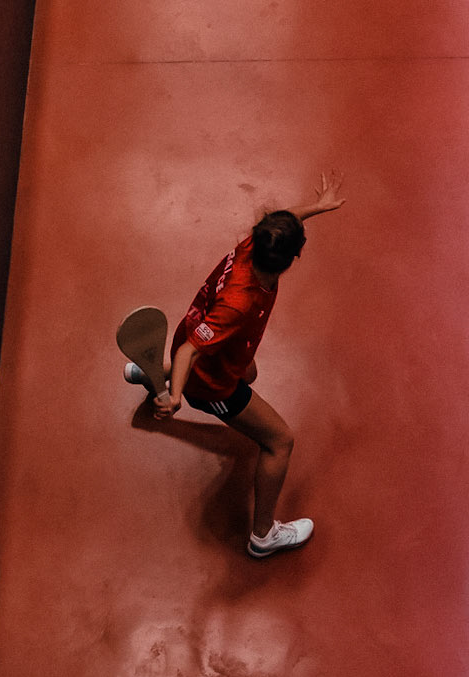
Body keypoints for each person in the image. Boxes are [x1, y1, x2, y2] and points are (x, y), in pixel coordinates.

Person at [124, 174, 345, 558]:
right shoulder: (240, 303)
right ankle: (263, 536)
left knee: (251, 372)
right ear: (294, 257)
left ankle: (150, 373)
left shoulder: (253, 246)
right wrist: (175, 397)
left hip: (210, 339)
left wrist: (317, 207)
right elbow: (189, 352)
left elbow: (280, 221)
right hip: (211, 382)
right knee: (280, 441)